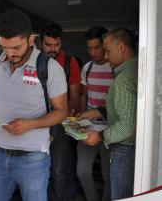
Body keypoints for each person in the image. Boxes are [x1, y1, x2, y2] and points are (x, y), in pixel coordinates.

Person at [0, 9, 68, 201]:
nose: (10, 54)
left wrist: (30, 124)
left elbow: (62, 111)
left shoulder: (50, 68)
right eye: (4, 47)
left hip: (33, 158)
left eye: (16, 47)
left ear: (30, 39)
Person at [78, 28, 138, 200]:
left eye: (107, 50)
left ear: (121, 47)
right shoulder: (133, 70)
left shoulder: (123, 79)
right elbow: (122, 108)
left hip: (124, 148)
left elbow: (128, 125)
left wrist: (100, 136)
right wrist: (95, 112)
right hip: (124, 145)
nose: (105, 56)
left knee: (118, 192)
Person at [40, 21, 81, 201]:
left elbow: (74, 96)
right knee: (38, 169)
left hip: (61, 123)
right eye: (48, 45)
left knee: (58, 169)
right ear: (40, 43)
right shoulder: (33, 62)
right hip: (36, 122)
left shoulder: (70, 63)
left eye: (56, 45)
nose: (52, 49)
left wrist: (66, 119)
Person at [77, 26, 113, 201]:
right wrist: (81, 116)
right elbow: (85, 94)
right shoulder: (87, 68)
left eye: (97, 48)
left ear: (105, 45)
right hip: (88, 127)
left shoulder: (115, 67)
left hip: (110, 131)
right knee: (82, 171)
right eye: (89, 48)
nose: (92, 52)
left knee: (109, 177)